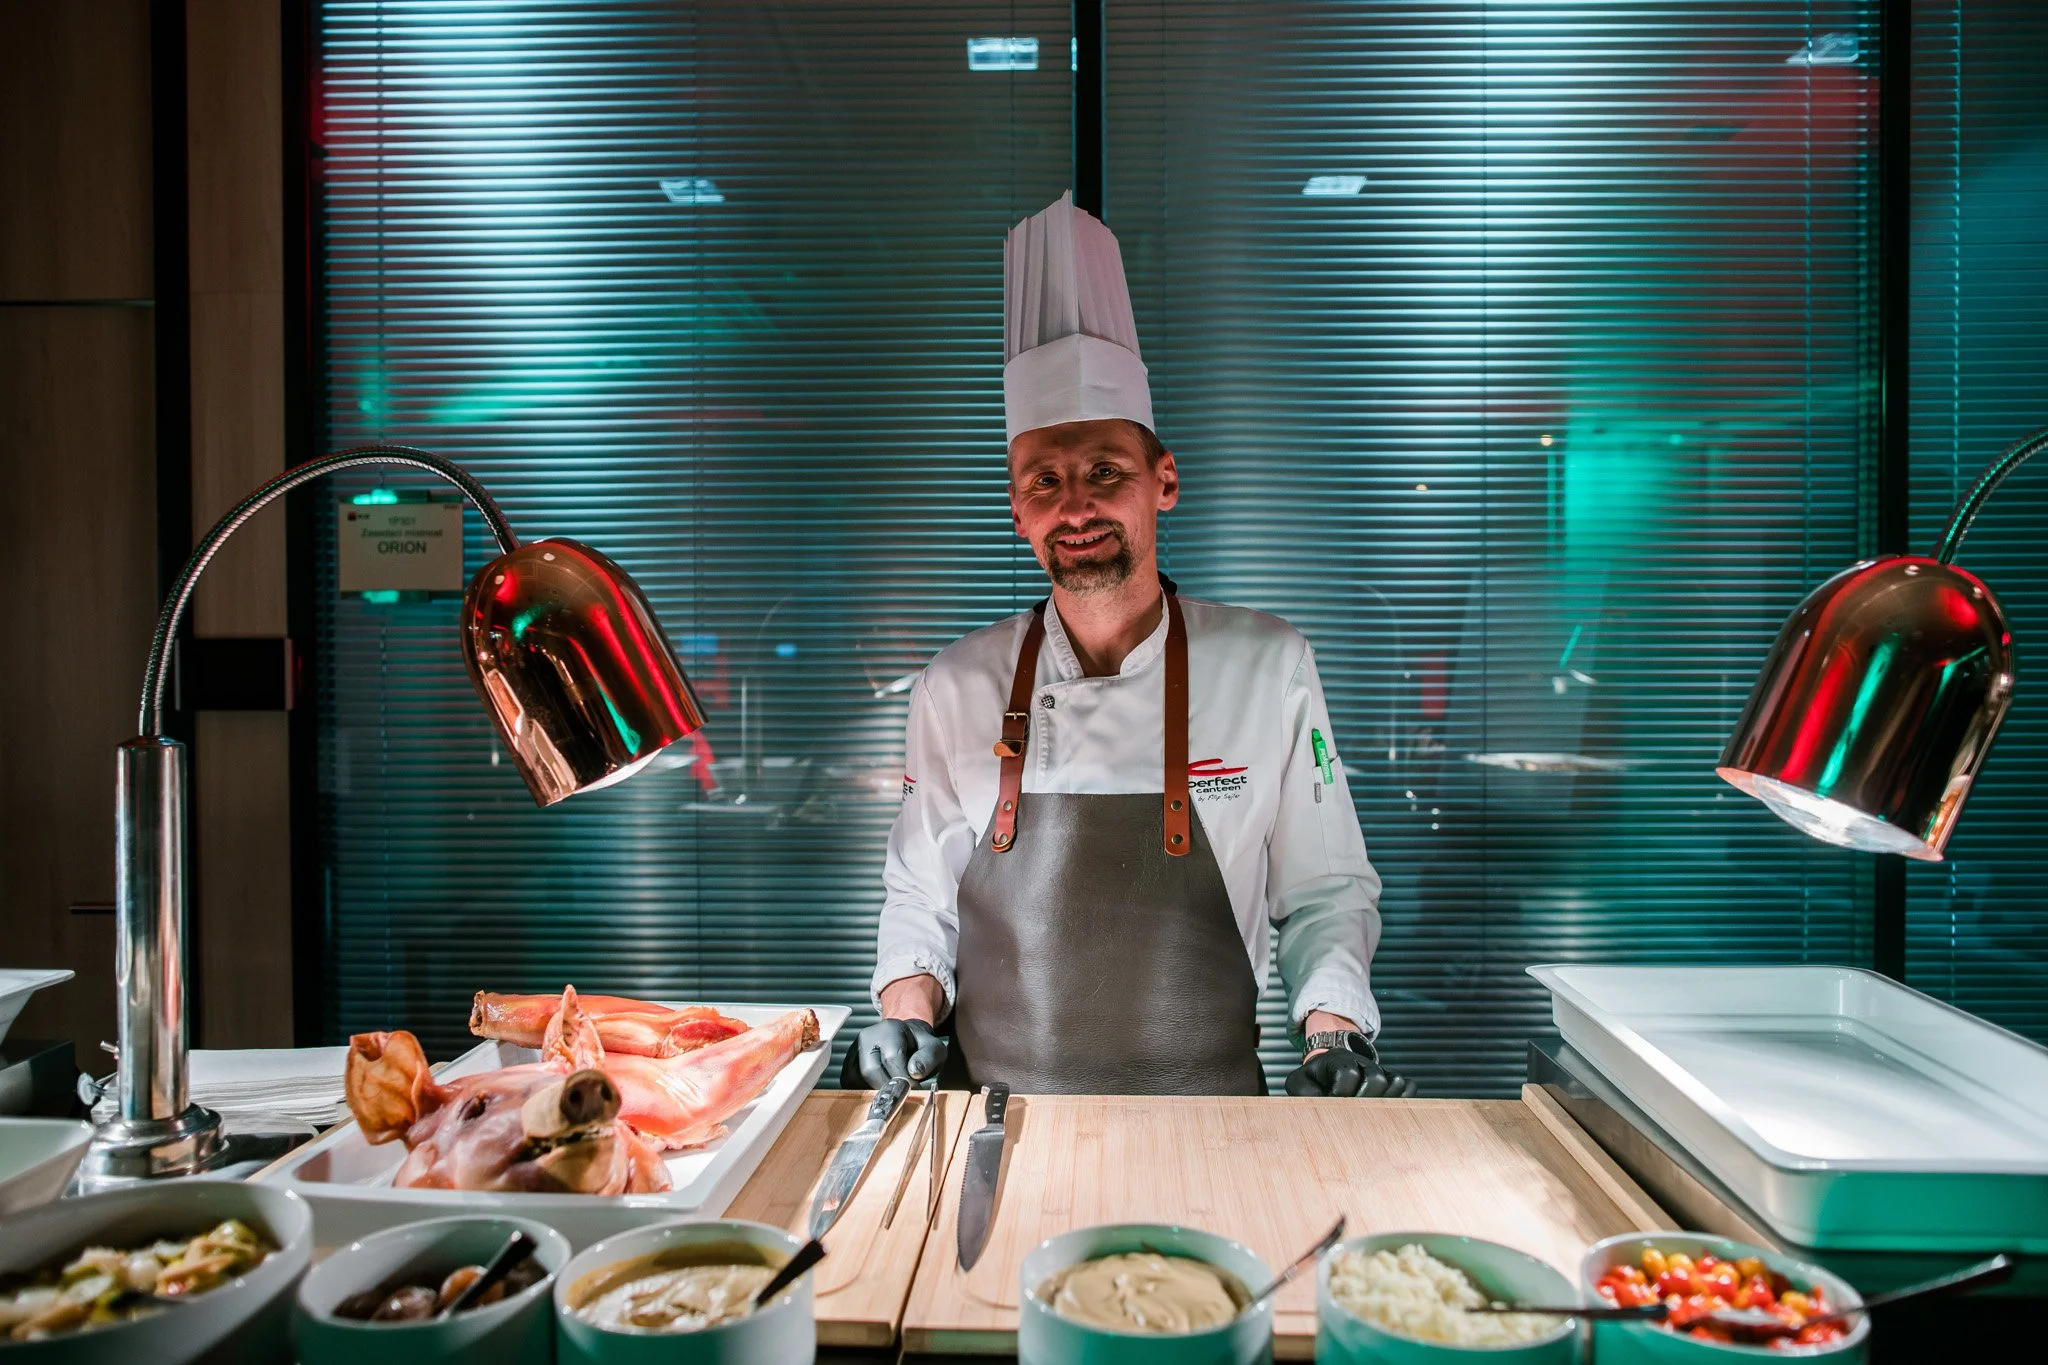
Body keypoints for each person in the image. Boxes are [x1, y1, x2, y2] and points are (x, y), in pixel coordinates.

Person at [847, 193, 1409, 1098]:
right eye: (1046, 480)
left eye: (1106, 472)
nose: (1076, 506)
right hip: (991, 1128)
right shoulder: (954, 685)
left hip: (1213, 1126)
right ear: (1016, 508)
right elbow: (922, 898)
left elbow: (1325, 890)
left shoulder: (1268, 666)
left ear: (1165, 481)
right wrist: (905, 1013)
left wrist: (1332, 1033)